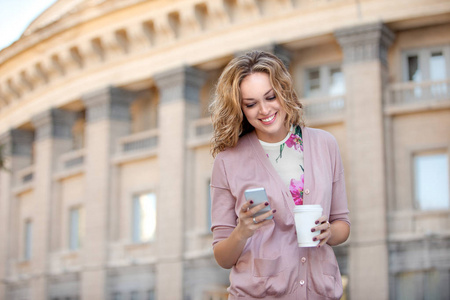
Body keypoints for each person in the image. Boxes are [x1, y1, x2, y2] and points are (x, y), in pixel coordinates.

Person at [209, 50, 350, 299]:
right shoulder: (227, 161)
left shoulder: (325, 144)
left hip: (319, 292)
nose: (264, 110)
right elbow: (222, 256)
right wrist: (242, 230)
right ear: (239, 108)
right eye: (251, 104)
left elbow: (342, 224)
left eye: (270, 97)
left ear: (283, 91)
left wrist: (329, 232)